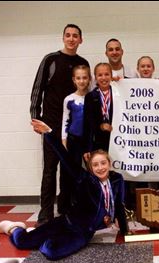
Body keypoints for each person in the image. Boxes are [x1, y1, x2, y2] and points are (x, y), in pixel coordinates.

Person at [0, 119, 128, 261]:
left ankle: (40, 235)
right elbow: (66, 158)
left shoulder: (117, 179)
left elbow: (120, 205)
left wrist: (125, 229)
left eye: (103, 163)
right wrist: (49, 133)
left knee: (52, 252)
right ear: (90, 168)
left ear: (109, 163)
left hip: (82, 233)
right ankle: (13, 228)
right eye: (95, 165)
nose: (100, 167)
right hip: (66, 222)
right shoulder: (84, 178)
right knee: (23, 242)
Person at [30, 24, 90, 226]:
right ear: (63, 38)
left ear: (81, 40)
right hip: (50, 125)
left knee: (69, 171)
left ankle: (65, 209)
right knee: (49, 170)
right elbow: (38, 88)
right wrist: (35, 117)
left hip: (73, 130)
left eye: (75, 36)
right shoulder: (51, 59)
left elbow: (87, 94)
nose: (71, 39)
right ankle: (45, 212)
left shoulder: (83, 63)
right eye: (68, 35)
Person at [60, 65, 91, 212]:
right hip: (73, 139)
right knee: (70, 173)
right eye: (78, 78)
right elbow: (65, 120)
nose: (82, 81)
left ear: (89, 79)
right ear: (74, 80)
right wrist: (64, 139)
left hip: (88, 140)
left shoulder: (93, 97)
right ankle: (67, 205)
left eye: (85, 77)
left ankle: (88, 202)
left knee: (91, 172)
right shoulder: (69, 99)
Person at [83, 63, 114, 160]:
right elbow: (87, 124)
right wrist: (87, 148)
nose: (103, 78)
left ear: (111, 75)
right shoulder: (90, 97)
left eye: (107, 74)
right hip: (98, 141)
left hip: (116, 140)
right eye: (100, 75)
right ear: (95, 77)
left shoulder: (118, 93)